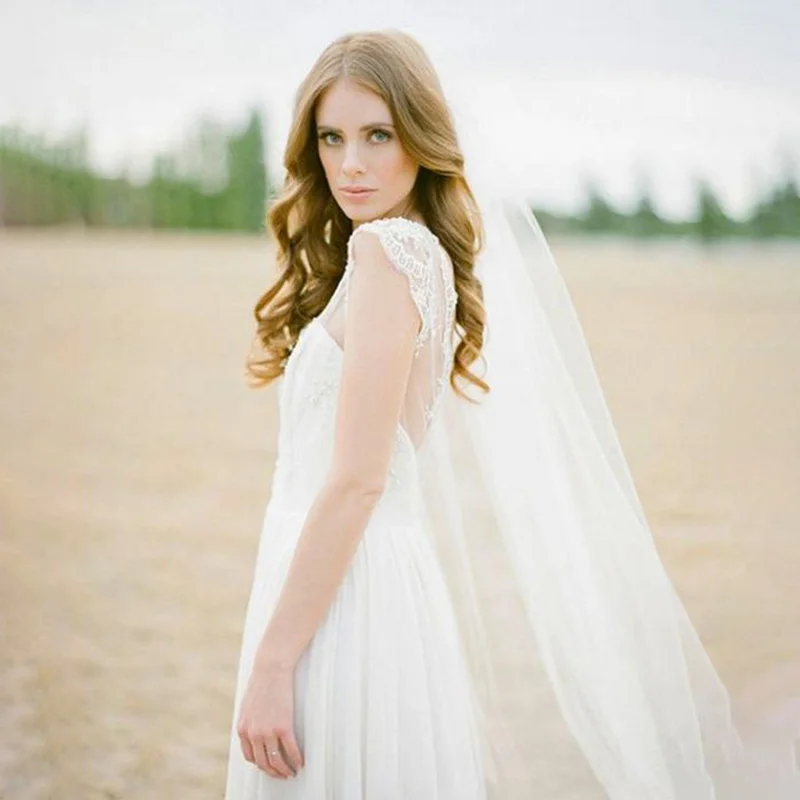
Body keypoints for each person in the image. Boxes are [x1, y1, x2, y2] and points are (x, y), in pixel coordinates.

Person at [224, 29, 800, 800]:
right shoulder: (412, 253)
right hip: (357, 574)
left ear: (419, 140)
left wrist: (272, 661)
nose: (350, 164)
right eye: (331, 137)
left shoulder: (388, 255)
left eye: (377, 135)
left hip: (343, 589)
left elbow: (360, 480)